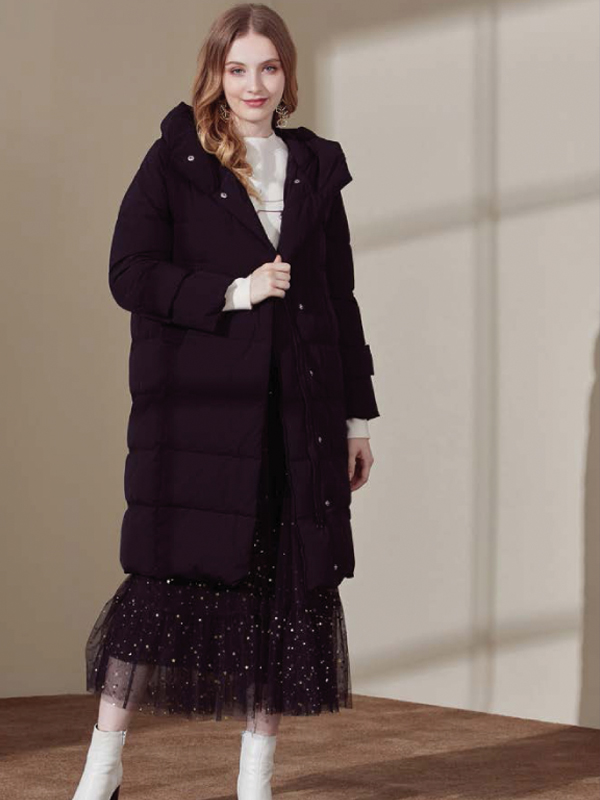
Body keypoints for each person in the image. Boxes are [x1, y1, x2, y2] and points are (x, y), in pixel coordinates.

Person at [71, 4, 379, 799]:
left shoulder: (315, 169)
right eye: (237, 68)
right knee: (160, 592)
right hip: (201, 419)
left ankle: (255, 782)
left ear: (287, 75)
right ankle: (101, 773)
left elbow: (339, 303)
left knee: (282, 602)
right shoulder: (176, 160)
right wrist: (235, 292)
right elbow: (129, 273)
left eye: (268, 67)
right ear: (215, 74)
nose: (254, 84)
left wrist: (356, 420)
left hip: (297, 420)